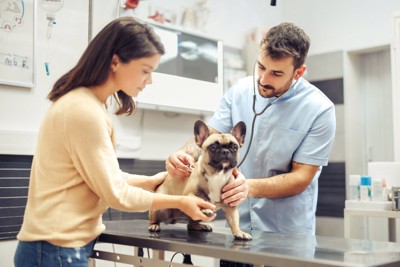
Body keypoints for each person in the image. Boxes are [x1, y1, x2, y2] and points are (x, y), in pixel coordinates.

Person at [14, 17, 216, 267]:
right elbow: (116, 194)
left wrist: (152, 181)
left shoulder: (87, 104)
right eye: (145, 70)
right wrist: (179, 201)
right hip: (55, 250)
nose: (149, 80)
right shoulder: (83, 111)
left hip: (56, 247)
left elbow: (102, 176)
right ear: (115, 61)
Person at [166, 22, 336, 267]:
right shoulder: (240, 91)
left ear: (298, 72)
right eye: (261, 67)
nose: (263, 80)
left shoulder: (319, 110)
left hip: (286, 236)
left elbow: (302, 177)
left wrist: (248, 187)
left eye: (277, 73)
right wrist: (182, 155)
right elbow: (208, 138)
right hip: (238, 229)